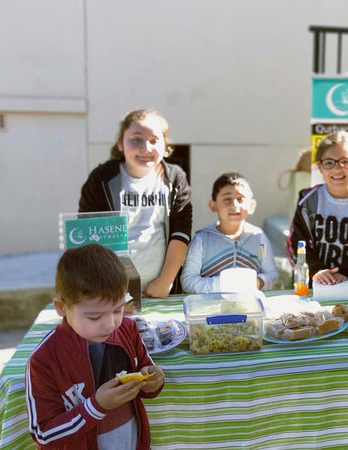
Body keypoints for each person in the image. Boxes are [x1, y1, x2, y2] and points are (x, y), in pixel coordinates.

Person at [25, 243, 165, 449]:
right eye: (94, 316)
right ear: (62, 308)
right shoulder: (45, 360)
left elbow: (145, 372)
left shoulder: (128, 329)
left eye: (118, 310)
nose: (110, 324)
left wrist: (153, 380)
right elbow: (43, 432)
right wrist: (95, 407)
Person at [79, 109, 193, 298]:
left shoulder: (175, 178)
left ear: (165, 145)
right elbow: (89, 234)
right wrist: (105, 285)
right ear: (120, 143)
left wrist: (165, 282)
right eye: (136, 139)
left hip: (160, 289)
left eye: (154, 140)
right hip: (112, 290)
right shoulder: (101, 178)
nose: (146, 147)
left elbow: (180, 233)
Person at [287, 130, 348, 285]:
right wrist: (317, 270)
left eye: (345, 161)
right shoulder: (309, 200)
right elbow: (296, 242)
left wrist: (346, 273)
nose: (338, 169)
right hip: (314, 285)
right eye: (329, 162)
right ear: (319, 166)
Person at [180, 172, 278, 293]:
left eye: (240, 199)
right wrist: (226, 284)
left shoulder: (258, 237)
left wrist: (258, 282)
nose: (234, 205)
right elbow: (188, 281)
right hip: (210, 308)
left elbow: (272, 274)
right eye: (227, 199)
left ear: (251, 206)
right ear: (213, 206)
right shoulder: (202, 239)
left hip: (249, 307)